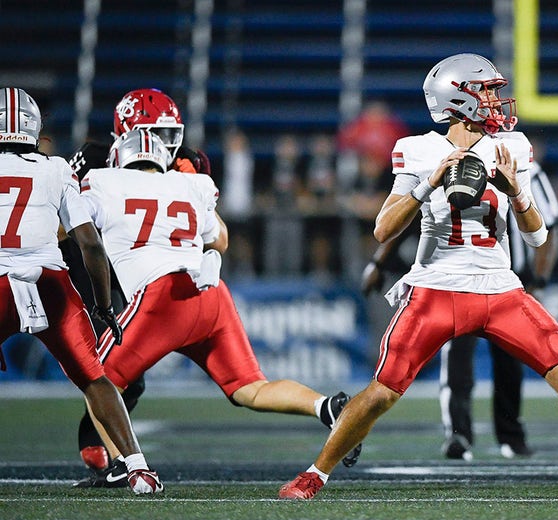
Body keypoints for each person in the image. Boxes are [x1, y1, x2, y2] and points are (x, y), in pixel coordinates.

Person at [278, 53, 558, 500]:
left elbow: (537, 237)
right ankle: (314, 474)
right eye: (487, 92)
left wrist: (517, 194)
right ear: (458, 99)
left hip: (499, 288)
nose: (496, 101)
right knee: (383, 392)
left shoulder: (511, 147)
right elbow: (382, 229)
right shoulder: (419, 150)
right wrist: (429, 184)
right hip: (436, 289)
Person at [77, 128, 361, 482]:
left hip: (161, 297)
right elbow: (220, 239)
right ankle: (327, 407)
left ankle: (124, 465)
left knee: (98, 379)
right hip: (209, 292)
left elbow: (69, 228)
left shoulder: (103, 182)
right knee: (251, 390)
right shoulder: (189, 184)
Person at [0, 87, 162, 495]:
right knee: (95, 378)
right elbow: (90, 244)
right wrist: (104, 306)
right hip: (50, 284)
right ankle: (138, 468)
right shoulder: (56, 168)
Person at [67, 88, 213, 488]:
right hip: (94, 265)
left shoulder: (189, 163)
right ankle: (113, 457)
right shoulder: (95, 159)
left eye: (169, 134)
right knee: (106, 365)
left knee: (129, 375)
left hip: (145, 268)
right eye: (154, 134)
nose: (164, 144)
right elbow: (69, 219)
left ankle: (103, 445)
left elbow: (207, 227)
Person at [439, 157, 558, 460]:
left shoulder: (528, 168)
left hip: (509, 280)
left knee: (510, 360)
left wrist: (539, 280)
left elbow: (550, 227)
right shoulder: (454, 162)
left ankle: (510, 435)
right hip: (463, 277)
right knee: (458, 357)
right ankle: (458, 435)